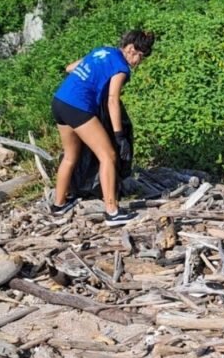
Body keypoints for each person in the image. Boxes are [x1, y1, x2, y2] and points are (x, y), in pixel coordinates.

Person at [48, 29, 155, 225]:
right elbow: (113, 100)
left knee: (70, 156)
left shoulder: (102, 51)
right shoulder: (121, 68)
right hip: (78, 106)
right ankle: (112, 212)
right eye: (140, 56)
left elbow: (70, 68)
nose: (139, 62)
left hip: (60, 102)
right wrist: (119, 135)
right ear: (131, 49)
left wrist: (92, 79)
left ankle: (58, 205)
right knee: (108, 155)